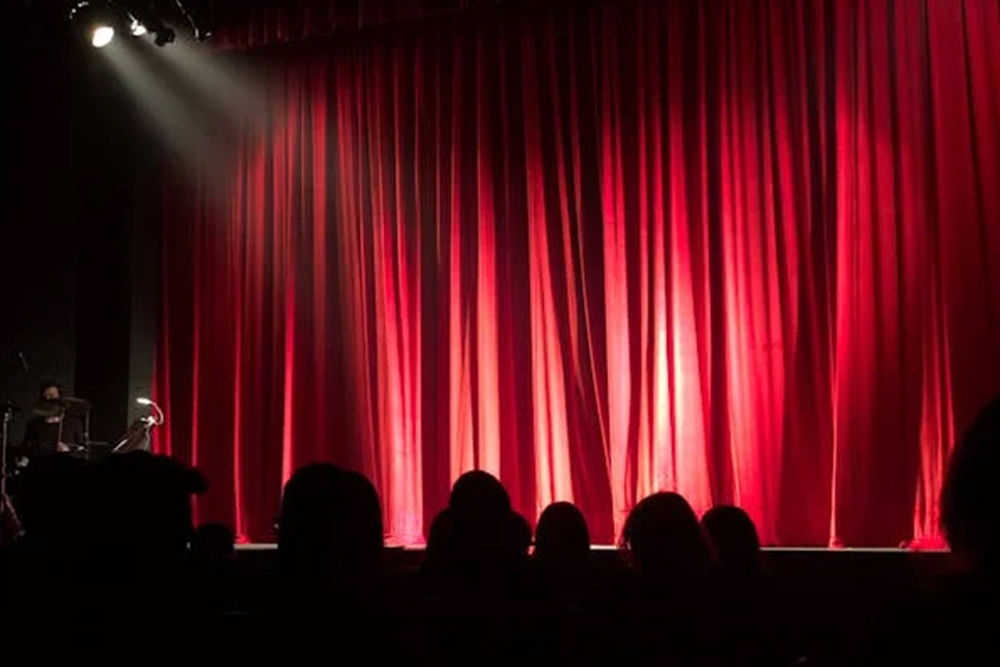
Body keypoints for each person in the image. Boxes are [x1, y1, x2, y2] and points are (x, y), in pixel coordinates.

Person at [19, 381, 84, 458]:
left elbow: (81, 449)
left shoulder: (73, 422)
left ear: (60, 399)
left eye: (52, 396)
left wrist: (68, 450)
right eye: (45, 397)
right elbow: (25, 449)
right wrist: (23, 458)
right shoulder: (35, 425)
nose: (48, 399)